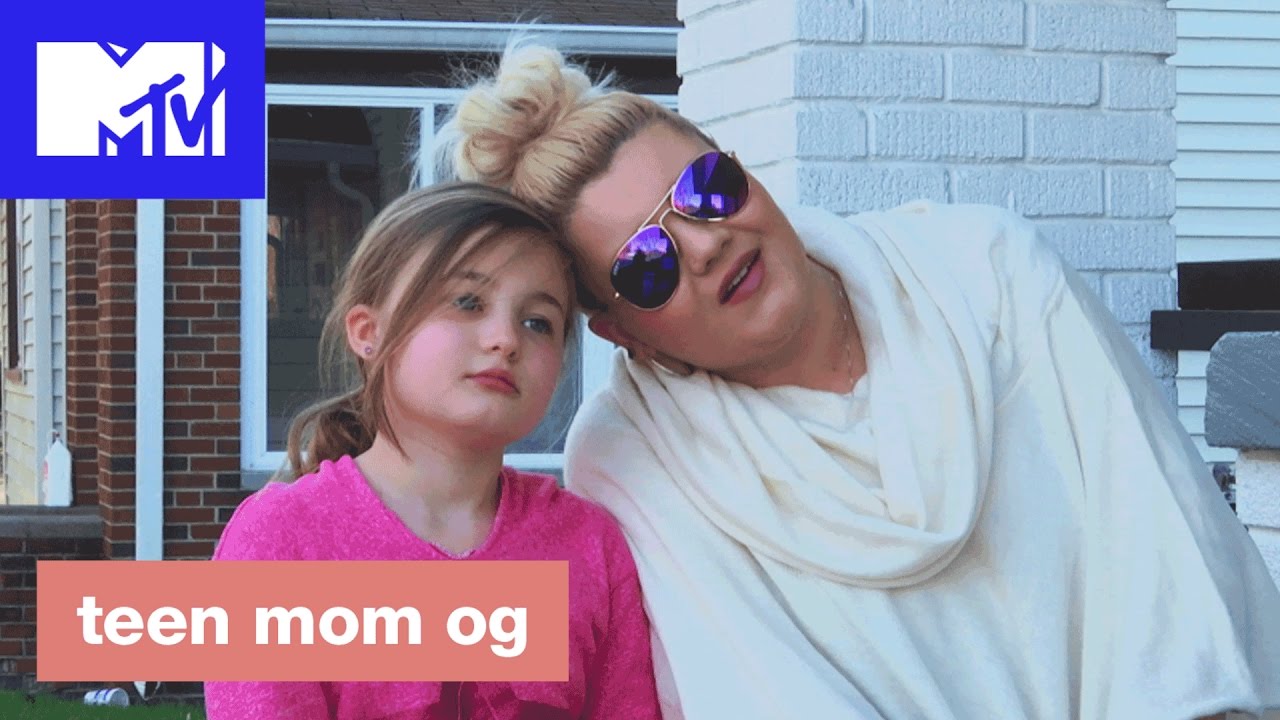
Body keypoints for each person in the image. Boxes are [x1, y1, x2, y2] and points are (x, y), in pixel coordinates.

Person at [433, 41, 1280, 720]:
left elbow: (1170, 574)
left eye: (707, 189)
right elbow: (755, 690)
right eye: (647, 265)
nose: (707, 243)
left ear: (741, 167)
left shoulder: (989, 277)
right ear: (627, 336)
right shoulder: (633, 454)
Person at [203, 183, 662, 719]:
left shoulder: (590, 544)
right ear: (369, 332)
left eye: (538, 322)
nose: (505, 339)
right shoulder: (281, 541)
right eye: (467, 301)